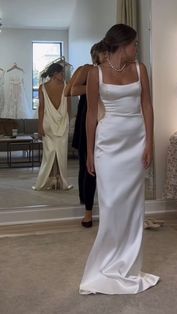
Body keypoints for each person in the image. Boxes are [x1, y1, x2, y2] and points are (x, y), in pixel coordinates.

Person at [79, 24, 159, 295]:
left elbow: (147, 104)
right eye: (134, 44)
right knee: (112, 206)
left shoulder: (140, 69)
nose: (137, 48)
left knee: (134, 207)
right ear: (121, 45)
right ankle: (104, 265)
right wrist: (89, 152)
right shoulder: (95, 73)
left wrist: (150, 141)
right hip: (108, 144)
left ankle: (129, 265)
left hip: (135, 142)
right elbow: (91, 115)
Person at [65, 42, 107, 228]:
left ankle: (99, 206)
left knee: (100, 168)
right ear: (96, 55)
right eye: (104, 53)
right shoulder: (88, 70)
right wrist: (95, 86)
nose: (107, 56)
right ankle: (87, 208)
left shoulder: (111, 72)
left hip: (105, 119)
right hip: (87, 118)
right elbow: (71, 91)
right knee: (87, 166)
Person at [32, 63, 72, 190]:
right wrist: (68, 121)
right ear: (55, 74)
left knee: (49, 154)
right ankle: (60, 181)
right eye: (62, 73)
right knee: (61, 153)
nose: (63, 75)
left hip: (48, 123)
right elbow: (69, 108)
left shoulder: (42, 87)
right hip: (61, 123)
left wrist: (40, 126)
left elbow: (41, 109)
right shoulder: (66, 86)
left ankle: (49, 181)